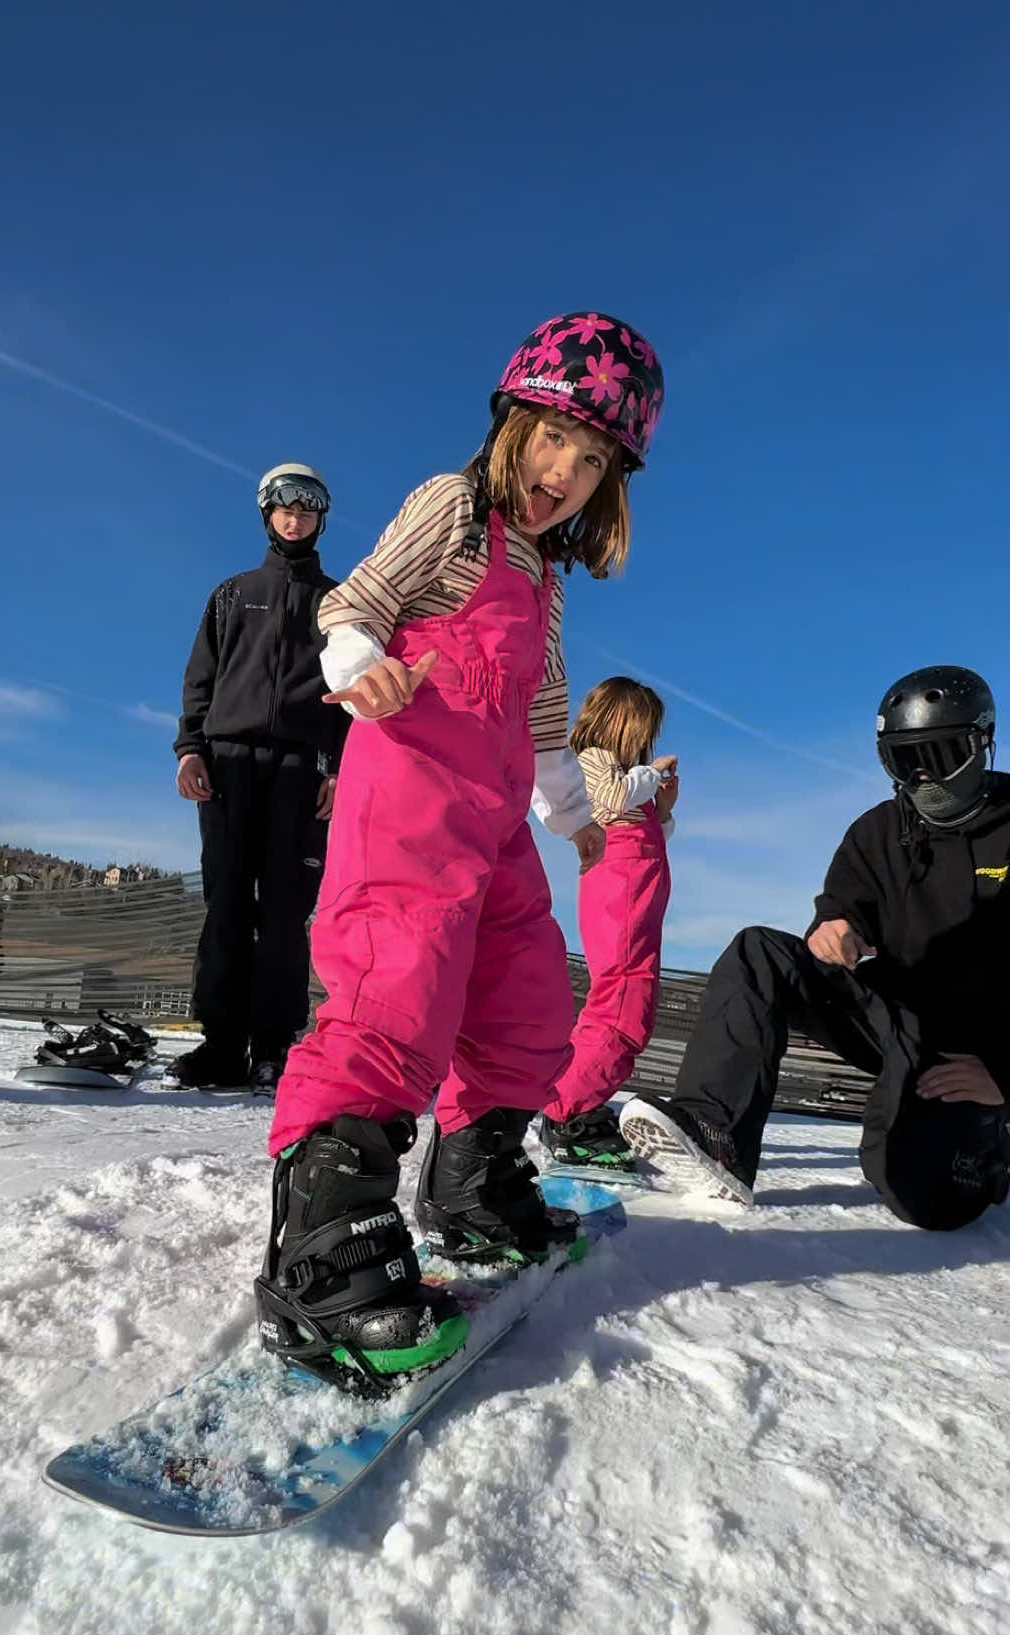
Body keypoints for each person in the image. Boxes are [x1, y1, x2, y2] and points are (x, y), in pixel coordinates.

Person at [253, 312, 665, 1391]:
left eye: (589, 464)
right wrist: (357, 659)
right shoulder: (454, 512)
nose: (562, 473)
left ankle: (472, 1186)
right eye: (550, 442)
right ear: (511, 424)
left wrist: (573, 818)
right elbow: (358, 602)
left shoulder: (544, 579)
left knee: (527, 1002)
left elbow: (543, 711)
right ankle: (322, 1252)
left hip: (493, 822)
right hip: (408, 794)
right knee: (395, 992)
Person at [620, 665, 1010, 1231]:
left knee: (922, 1197)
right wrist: (834, 925)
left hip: (970, 1050)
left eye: (941, 754)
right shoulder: (878, 831)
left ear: (980, 745)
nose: (922, 776)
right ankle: (716, 1134)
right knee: (759, 953)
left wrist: (1004, 1075)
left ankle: (991, 1144)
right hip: (888, 1017)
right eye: (904, 761)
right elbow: (842, 903)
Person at [171, 464, 348, 1095]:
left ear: (321, 516)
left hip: (304, 768)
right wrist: (191, 749)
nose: (295, 518)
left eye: (308, 508)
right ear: (267, 514)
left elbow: (351, 693)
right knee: (226, 905)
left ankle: (273, 1045)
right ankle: (220, 1044)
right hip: (228, 762)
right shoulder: (231, 593)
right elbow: (201, 678)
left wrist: (342, 768)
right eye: (283, 508)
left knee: (285, 911)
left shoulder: (340, 602)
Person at [538, 676, 678, 1167]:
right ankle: (566, 1112)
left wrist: (662, 810)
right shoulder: (595, 759)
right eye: (644, 733)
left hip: (637, 895)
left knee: (621, 997)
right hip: (620, 888)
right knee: (622, 1005)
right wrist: (652, 776)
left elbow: (638, 818)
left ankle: (580, 1098)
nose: (647, 745)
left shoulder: (623, 772)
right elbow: (612, 798)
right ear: (624, 724)